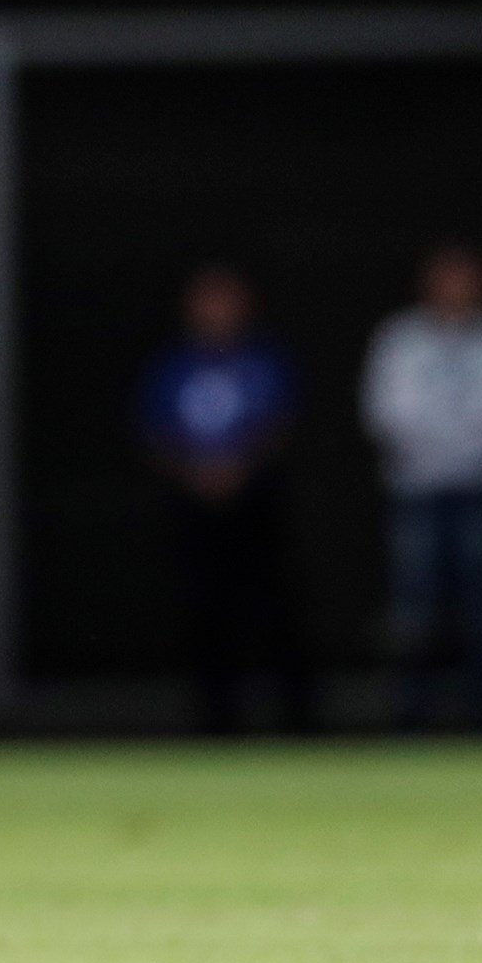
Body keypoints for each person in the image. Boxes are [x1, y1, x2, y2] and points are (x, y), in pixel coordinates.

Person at [139, 266, 310, 735]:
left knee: (272, 607)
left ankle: (297, 721)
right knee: (203, 612)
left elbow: (282, 424)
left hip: (254, 504)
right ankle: (215, 721)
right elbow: (155, 431)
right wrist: (196, 473)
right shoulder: (174, 366)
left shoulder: (264, 361)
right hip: (193, 506)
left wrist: (239, 470)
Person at [362, 247, 482, 730]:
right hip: (417, 490)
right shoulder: (399, 339)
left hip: (479, 487)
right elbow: (385, 413)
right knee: (414, 607)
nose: (455, 291)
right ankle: (411, 717)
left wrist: (460, 449)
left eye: (464, 280)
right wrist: (437, 449)